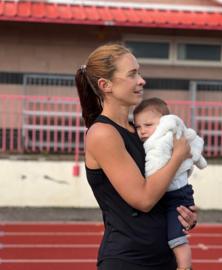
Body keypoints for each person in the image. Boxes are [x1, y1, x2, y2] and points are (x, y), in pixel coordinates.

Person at [75, 43, 197, 270]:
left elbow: (160, 190)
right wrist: (178, 155)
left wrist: (182, 211)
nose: (141, 80)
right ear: (106, 85)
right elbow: (143, 199)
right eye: (132, 74)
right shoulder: (103, 134)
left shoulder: (137, 131)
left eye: (139, 72)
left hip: (162, 257)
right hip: (129, 260)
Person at [133, 97, 207, 269]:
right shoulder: (146, 144)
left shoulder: (167, 141)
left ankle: (184, 267)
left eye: (148, 125)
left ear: (165, 123)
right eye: (138, 127)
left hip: (177, 196)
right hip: (162, 200)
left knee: (176, 238)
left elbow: (156, 168)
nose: (142, 131)